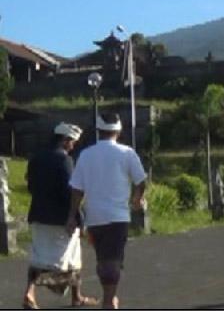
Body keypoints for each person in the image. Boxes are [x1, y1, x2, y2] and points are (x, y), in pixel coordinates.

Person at [67, 113, 147, 310]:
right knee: (114, 259)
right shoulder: (127, 153)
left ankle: (109, 297)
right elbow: (141, 180)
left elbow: (77, 189)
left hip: (94, 217)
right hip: (118, 216)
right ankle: (109, 300)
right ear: (118, 131)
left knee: (103, 257)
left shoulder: (86, 154)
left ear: (99, 131)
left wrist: (72, 215)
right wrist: (137, 198)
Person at [22, 123, 97, 310]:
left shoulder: (36, 158)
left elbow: (30, 186)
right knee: (69, 259)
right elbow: (70, 192)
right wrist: (77, 217)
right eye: (72, 142)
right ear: (65, 140)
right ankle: (71, 295)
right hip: (61, 219)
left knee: (40, 257)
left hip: (39, 215)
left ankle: (31, 292)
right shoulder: (64, 161)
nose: (73, 146)